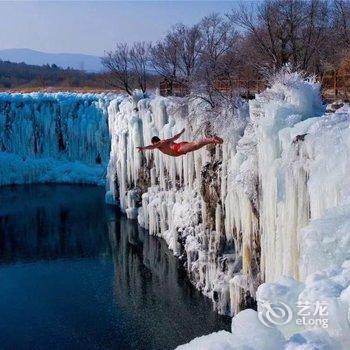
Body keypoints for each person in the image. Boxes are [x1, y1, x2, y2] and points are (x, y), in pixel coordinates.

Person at [136, 128, 223, 157]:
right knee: (195, 146)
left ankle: (212, 139)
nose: (155, 145)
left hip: (178, 148)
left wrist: (143, 148)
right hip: (179, 147)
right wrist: (181, 133)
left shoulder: (161, 143)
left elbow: (151, 147)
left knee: (195, 145)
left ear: (155, 142)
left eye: (154, 143)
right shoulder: (164, 142)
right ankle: (212, 140)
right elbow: (175, 137)